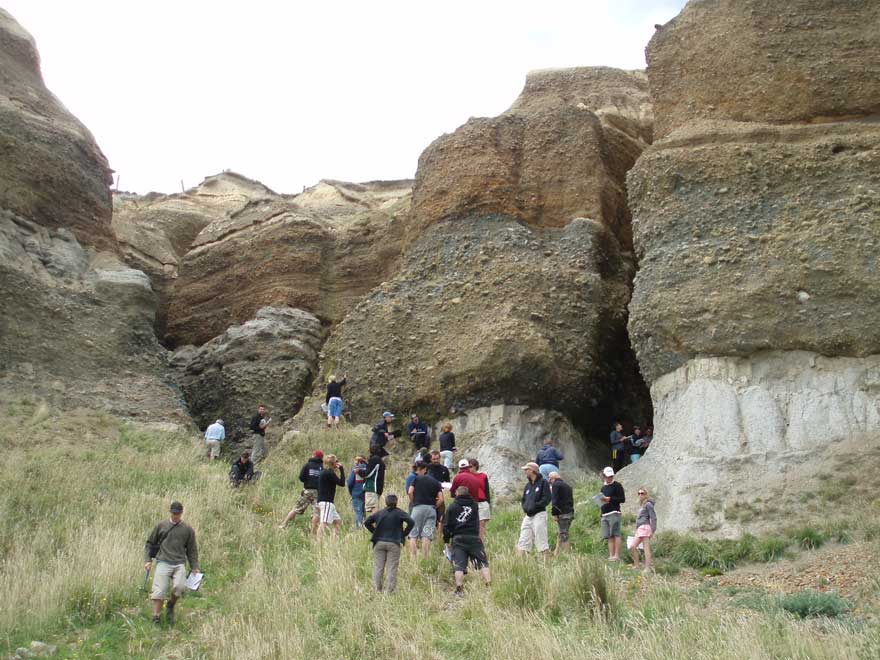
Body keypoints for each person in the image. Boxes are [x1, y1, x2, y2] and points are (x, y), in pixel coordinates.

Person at [144, 501, 200, 627]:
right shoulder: (161, 525)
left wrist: (195, 566)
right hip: (163, 561)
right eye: (174, 513)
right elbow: (149, 543)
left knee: (179, 587)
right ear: (170, 512)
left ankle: (171, 605)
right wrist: (147, 560)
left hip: (179, 563)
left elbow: (192, 550)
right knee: (159, 591)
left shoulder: (188, 529)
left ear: (181, 513)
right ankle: (156, 617)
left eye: (178, 513)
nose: (176, 515)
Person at [443, 486, 491, 595]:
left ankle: (459, 589)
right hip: (474, 537)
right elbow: (479, 522)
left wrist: (447, 540)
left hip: (458, 538)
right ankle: (489, 586)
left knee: (459, 565)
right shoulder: (474, 505)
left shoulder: (452, 506)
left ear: (457, 494)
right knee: (483, 563)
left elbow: (446, 526)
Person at [364, 494, 414, 593]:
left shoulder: (380, 513)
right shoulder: (399, 513)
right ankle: (389, 591)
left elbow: (367, 522)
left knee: (378, 567)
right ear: (396, 502)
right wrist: (403, 534)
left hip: (379, 542)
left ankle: (376, 589)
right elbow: (411, 522)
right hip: (394, 543)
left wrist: (375, 532)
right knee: (392, 567)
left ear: (386, 502)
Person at [279, 450, 324, 531]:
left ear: (313, 455)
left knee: (296, 508)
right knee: (316, 513)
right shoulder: (322, 467)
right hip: (318, 492)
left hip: (307, 490)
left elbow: (301, 477)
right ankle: (313, 533)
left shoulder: (307, 465)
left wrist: (307, 481)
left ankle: (283, 525)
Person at [407, 462, 443, 559]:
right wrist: (434, 506)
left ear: (424, 470)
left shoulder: (416, 479)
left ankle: (413, 559)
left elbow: (410, 491)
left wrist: (413, 501)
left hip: (417, 508)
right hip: (431, 510)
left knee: (413, 534)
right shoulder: (436, 482)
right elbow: (441, 499)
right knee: (426, 535)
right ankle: (425, 558)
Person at [517, 462, 551, 558]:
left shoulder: (543, 482)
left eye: (526, 469)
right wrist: (525, 507)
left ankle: (547, 564)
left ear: (532, 470)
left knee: (541, 539)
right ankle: (519, 565)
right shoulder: (527, 485)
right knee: (523, 540)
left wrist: (535, 506)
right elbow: (523, 499)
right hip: (528, 516)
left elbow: (547, 499)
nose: (525, 471)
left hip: (539, 514)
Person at [600, 466, 626, 561]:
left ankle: (617, 555)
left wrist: (610, 499)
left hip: (614, 512)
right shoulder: (603, 487)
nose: (610, 478)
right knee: (609, 535)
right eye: (608, 476)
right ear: (604, 476)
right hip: (604, 513)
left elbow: (622, 499)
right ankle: (611, 556)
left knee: (616, 533)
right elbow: (602, 499)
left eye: (611, 476)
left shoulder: (617, 485)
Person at [316, 454, 346, 538]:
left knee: (337, 521)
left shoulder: (324, 472)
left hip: (324, 501)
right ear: (333, 463)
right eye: (336, 461)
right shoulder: (329, 472)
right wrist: (341, 469)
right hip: (327, 502)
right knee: (324, 523)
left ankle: (334, 540)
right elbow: (342, 483)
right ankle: (318, 543)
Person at [630, 488, 657, 571]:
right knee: (632, 546)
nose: (640, 495)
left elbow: (654, 518)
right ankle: (637, 565)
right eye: (639, 493)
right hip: (640, 528)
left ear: (646, 494)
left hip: (645, 527)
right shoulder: (643, 505)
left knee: (646, 548)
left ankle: (647, 568)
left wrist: (653, 530)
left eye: (642, 493)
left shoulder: (648, 504)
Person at [548, 471, 574, 555]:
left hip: (562, 513)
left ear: (553, 479)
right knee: (561, 533)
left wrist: (554, 513)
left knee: (563, 535)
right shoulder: (567, 486)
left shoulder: (555, 485)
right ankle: (556, 553)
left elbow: (554, 500)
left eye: (550, 479)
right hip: (570, 513)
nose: (550, 481)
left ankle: (568, 554)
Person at [468, 458, 491, 543]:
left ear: (475, 466)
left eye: (471, 466)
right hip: (472, 502)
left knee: (481, 525)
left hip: (482, 502)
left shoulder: (483, 476)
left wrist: (488, 503)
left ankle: (481, 543)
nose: (469, 469)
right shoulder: (468, 476)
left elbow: (487, 491)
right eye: (468, 467)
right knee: (473, 525)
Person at [426, 450, 451, 528]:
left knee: (441, 517)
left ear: (440, 458)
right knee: (429, 517)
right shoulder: (427, 468)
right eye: (434, 459)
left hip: (441, 496)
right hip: (429, 496)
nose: (436, 461)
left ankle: (440, 535)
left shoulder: (444, 469)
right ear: (430, 459)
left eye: (437, 459)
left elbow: (448, 482)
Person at [363, 445, 386, 516]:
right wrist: (365, 463)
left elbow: (368, 474)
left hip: (372, 487)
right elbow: (374, 470)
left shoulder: (374, 459)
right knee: (374, 508)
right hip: (378, 488)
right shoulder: (379, 460)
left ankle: (374, 526)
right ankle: (375, 525)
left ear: (370, 451)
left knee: (372, 509)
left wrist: (359, 471)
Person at [347, 455, 367, 528]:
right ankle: (365, 529)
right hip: (366, 494)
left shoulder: (355, 469)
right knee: (364, 513)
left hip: (356, 494)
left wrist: (351, 493)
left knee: (358, 513)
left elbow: (350, 483)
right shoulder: (368, 469)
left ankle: (358, 529)